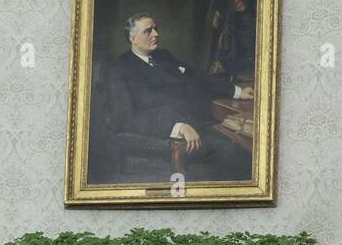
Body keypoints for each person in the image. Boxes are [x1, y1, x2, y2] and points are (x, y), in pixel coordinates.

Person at [100, 12, 251, 182]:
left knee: (242, 143)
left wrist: (237, 91)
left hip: (201, 125)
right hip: (167, 139)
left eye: (156, 29)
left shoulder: (163, 56)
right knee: (237, 154)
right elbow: (126, 119)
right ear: (132, 38)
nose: (156, 34)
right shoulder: (118, 70)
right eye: (148, 31)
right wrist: (178, 126)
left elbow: (197, 77)